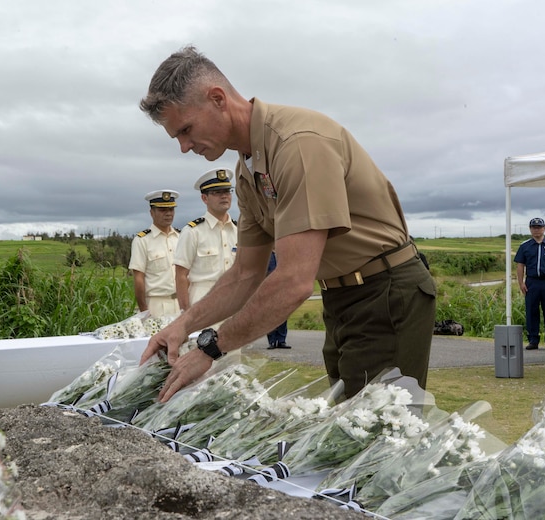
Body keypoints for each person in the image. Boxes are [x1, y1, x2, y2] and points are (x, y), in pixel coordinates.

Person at [138, 45, 435, 402]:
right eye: (177, 138)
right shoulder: (247, 167)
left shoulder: (296, 144)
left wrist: (209, 350)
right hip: (343, 296)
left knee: (378, 436)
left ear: (217, 98)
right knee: (348, 427)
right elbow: (246, 273)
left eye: (186, 129)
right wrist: (183, 325)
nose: (185, 147)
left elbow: (293, 280)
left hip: (384, 293)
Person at [173, 168, 238, 311]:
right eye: (217, 193)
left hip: (234, 303)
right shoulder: (192, 232)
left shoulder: (239, 230)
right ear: (205, 198)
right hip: (202, 302)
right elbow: (181, 276)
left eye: (227, 191)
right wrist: (186, 313)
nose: (224, 196)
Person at [128, 190, 182, 318]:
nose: (168, 214)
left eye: (171, 209)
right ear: (152, 213)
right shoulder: (142, 240)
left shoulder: (180, 238)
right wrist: (144, 313)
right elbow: (139, 278)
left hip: (181, 303)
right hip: (156, 305)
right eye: (163, 210)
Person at [514, 217, 545, 350]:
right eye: (534, 227)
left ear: (544, 228)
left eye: (539, 227)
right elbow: (520, 265)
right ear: (530, 229)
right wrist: (521, 283)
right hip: (532, 282)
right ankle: (533, 339)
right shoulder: (525, 246)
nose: (537, 230)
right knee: (531, 310)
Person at [265, 251, 290, 349]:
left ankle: (281, 341)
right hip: (268, 289)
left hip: (283, 288)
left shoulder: (282, 252)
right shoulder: (266, 255)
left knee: (283, 314)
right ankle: (272, 341)